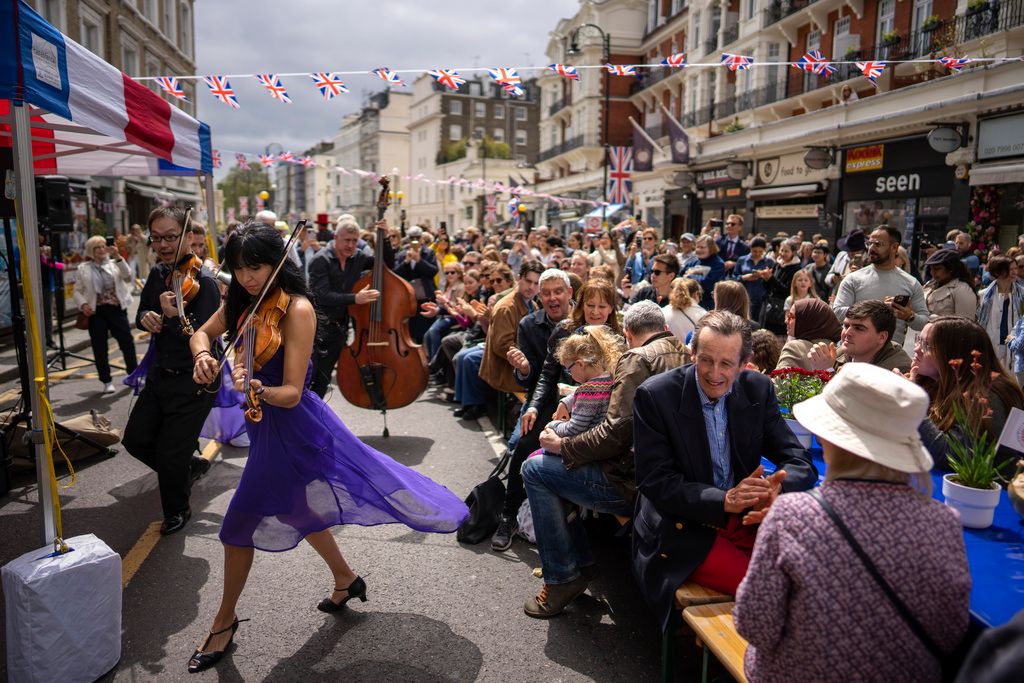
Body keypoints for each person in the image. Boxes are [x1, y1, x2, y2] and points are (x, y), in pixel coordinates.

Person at [186, 222, 468, 673]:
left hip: (291, 428)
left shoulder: (297, 309)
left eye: (255, 267)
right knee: (298, 509)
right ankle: (346, 578)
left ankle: (223, 622)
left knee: (236, 526)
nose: (246, 278)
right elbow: (203, 333)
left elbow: (293, 392)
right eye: (238, 269)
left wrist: (255, 387)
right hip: (265, 428)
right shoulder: (240, 301)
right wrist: (204, 355)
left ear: (277, 262)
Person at [734, 363, 970, 683]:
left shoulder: (791, 515)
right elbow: (951, 633)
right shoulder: (945, 523)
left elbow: (754, 624)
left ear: (830, 438)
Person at [632, 310, 817, 629]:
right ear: (691, 353)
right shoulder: (656, 395)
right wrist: (722, 500)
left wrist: (779, 489)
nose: (714, 373)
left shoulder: (758, 388)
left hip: (744, 518)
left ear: (745, 362)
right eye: (706, 360)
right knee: (767, 590)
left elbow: (798, 460)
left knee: (807, 578)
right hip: (685, 526)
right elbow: (656, 482)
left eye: (726, 363)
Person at [528, 301, 689, 616]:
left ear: (628, 334)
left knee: (535, 469)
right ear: (665, 329)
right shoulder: (684, 352)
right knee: (550, 468)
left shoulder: (637, 359)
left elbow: (613, 435)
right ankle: (581, 565)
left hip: (636, 485)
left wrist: (564, 446)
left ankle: (563, 577)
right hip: (668, 479)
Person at [492, 275, 620, 551]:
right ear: (581, 304)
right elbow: (547, 375)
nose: (596, 312)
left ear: (611, 308)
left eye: (602, 306)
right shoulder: (564, 329)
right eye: (590, 305)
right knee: (525, 441)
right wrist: (535, 407)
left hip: (601, 407)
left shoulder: (617, 337)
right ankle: (509, 515)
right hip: (560, 400)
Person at [121, 207, 220, 536]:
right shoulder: (156, 274)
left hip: (194, 380)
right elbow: (142, 313)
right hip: (161, 375)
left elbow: (200, 336)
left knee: (169, 451)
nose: (162, 244)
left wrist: (173, 317)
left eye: (170, 236)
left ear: (189, 236)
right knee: (134, 439)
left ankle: (177, 509)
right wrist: (149, 316)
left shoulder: (205, 282)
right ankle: (188, 466)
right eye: (157, 237)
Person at [910, 317, 1024, 471]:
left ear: (953, 355)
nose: (917, 349)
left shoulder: (987, 397)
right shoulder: (934, 383)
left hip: (994, 491)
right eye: (918, 340)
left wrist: (910, 401)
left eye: (926, 345)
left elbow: (949, 457)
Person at [305, 218, 392, 398]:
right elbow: (322, 295)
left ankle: (312, 418)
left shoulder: (358, 258)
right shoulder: (321, 260)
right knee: (308, 376)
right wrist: (355, 299)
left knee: (323, 379)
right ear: (336, 237)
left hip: (339, 328)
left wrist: (385, 238)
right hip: (316, 328)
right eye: (347, 240)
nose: (351, 245)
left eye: (354, 241)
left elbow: (386, 265)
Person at [468, 262, 543, 420]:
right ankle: (519, 418)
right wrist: (529, 361)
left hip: (518, 366)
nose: (532, 287)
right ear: (518, 279)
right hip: (505, 371)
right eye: (528, 281)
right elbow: (502, 346)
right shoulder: (506, 307)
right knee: (544, 384)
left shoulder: (533, 305)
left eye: (536, 283)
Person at [832, 226, 928, 346]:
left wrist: (909, 316)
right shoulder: (853, 279)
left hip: (890, 356)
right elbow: (837, 313)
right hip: (853, 353)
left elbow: (924, 322)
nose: (871, 248)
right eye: (869, 243)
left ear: (894, 247)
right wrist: (876, 309)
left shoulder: (911, 283)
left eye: (877, 244)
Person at [72, 235, 139, 394]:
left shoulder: (114, 263)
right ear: (91, 251)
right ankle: (107, 381)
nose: (102, 250)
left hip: (116, 309)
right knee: (99, 347)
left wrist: (117, 256)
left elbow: (127, 275)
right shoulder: (83, 268)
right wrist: (83, 304)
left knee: (127, 343)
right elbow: (77, 291)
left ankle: (133, 374)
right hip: (96, 312)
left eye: (103, 246)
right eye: (97, 248)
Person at [808, 300, 912, 373]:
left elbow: (857, 402)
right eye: (846, 325)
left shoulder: (897, 369)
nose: (847, 333)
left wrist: (828, 371)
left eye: (859, 328)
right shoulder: (840, 353)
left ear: (882, 337)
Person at [977, 255, 1024, 369]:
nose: (1014, 272)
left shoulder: (1022, 294)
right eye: (1009, 269)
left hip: (1015, 347)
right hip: (991, 345)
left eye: (1015, 269)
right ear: (998, 272)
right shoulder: (983, 296)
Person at [394, 226, 439, 343]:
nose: (414, 240)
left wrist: (419, 261)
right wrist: (406, 262)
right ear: (408, 239)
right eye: (412, 238)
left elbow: (433, 271)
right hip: (408, 299)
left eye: (417, 238)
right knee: (410, 331)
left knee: (425, 330)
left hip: (424, 298)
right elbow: (395, 274)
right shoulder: (402, 254)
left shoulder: (428, 252)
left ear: (421, 239)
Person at [776, 298, 842, 370]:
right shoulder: (838, 351)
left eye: (791, 317)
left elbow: (778, 380)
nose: (786, 321)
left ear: (807, 321)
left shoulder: (794, 348)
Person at [759, 239, 803, 336]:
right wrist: (766, 278)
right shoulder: (777, 264)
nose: (782, 253)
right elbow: (768, 287)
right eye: (781, 250)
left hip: (783, 308)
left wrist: (771, 278)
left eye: (786, 251)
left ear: (793, 252)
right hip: (770, 305)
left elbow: (787, 290)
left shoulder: (796, 268)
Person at [923, 248, 978, 319]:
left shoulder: (962, 289)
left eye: (937, 269)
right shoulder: (930, 285)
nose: (932, 273)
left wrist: (934, 319)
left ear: (950, 269)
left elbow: (965, 324)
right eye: (931, 269)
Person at [733, 236, 774, 322]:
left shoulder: (769, 262)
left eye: (760, 251)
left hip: (762, 298)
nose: (757, 254)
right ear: (750, 248)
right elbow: (733, 278)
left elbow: (773, 281)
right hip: (744, 296)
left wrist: (765, 276)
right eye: (754, 251)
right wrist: (744, 277)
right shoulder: (742, 260)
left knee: (759, 323)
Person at [684, 235, 726, 310]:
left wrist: (690, 276)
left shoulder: (718, 264)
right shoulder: (693, 261)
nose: (699, 250)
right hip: (689, 303)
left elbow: (708, 283)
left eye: (702, 247)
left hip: (708, 305)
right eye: (697, 247)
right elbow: (680, 275)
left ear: (711, 248)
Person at [662, 277, 707, 345]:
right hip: (690, 354)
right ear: (696, 294)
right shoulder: (704, 314)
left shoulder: (662, 312)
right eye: (700, 296)